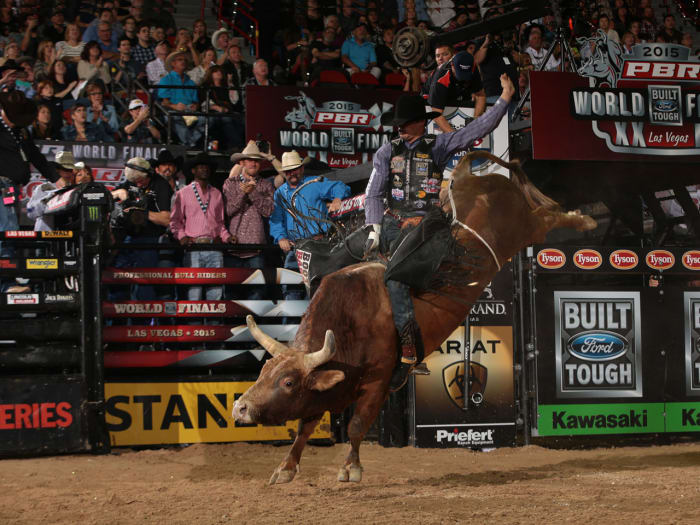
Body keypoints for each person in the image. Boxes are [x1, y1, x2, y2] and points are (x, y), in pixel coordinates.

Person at [363, 74, 515, 389]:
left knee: (394, 276)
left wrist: (503, 98)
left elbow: (478, 128)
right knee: (351, 255)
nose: (400, 128)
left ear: (421, 123)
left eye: (405, 123)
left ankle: (408, 349)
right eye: (398, 123)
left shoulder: (440, 144)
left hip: (427, 224)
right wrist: (373, 229)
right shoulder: (385, 152)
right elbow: (374, 193)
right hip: (393, 222)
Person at [270, 150, 350, 292]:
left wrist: (337, 199)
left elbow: (340, 186)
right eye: (288, 171)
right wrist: (280, 237)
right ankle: (292, 313)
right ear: (284, 173)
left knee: (322, 288)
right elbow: (276, 220)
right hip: (295, 247)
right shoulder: (280, 193)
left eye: (294, 169)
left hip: (319, 244)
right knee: (291, 289)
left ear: (301, 168)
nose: (291, 173)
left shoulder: (314, 183)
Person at [0, 90, 58, 278]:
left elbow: (36, 157)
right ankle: (6, 283)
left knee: (9, 230)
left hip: (11, 188)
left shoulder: (20, 131)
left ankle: (7, 280)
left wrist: (57, 179)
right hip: (2, 186)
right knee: (7, 231)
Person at [170, 152, 235, 303]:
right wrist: (182, 237)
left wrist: (227, 237)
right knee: (194, 293)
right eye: (200, 167)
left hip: (214, 249)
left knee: (216, 293)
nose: (204, 169)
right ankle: (194, 326)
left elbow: (220, 224)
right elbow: (174, 222)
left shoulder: (217, 194)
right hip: (194, 248)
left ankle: (214, 326)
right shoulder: (183, 193)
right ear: (193, 171)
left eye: (207, 167)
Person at [110, 156, 173, 307]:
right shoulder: (131, 181)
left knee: (144, 287)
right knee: (117, 282)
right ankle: (117, 324)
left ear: (149, 173)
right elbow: (107, 197)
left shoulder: (161, 185)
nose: (137, 184)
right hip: (125, 239)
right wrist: (119, 193)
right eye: (134, 182)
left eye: (140, 181)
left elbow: (167, 219)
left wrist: (142, 213)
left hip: (149, 240)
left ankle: (142, 325)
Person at [224, 141, 276, 273]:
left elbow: (268, 211)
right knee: (232, 289)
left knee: (257, 290)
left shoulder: (266, 185)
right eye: (249, 160)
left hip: (256, 248)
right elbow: (229, 211)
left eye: (257, 161)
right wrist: (243, 193)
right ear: (241, 163)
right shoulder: (230, 183)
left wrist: (252, 192)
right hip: (233, 245)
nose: (253, 164)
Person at [428, 50, 487, 133]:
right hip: (432, 98)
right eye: (460, 73)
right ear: (452, 65)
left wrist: (475, 120)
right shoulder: (441, 77)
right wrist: (456, 137)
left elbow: (480, 95)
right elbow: (436, 114)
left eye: (466, 74)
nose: (463, 78)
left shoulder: (473, 68)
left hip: (456, 94)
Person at [157, 49, 206, 148]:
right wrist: (174, 106)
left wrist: (195, 106)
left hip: (189, 111)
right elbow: (163, 102)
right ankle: (190, 144)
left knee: (206, 119)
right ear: (173, 63)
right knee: (174, 117)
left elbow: (196, 102)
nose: (183, 62)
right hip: (173, 111)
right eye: (180, 60)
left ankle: (188, 142)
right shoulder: (166, 79)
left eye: (184, 60)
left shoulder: (190, 82)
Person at [27, 151, 76, 231]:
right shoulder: (44, 188)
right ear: (57, 170)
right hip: (47, 237)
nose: (68, 174)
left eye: (70, 170)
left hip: (69, 238)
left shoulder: (75, 190)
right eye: (64, 169)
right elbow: (30, 212)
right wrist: (48, 199)